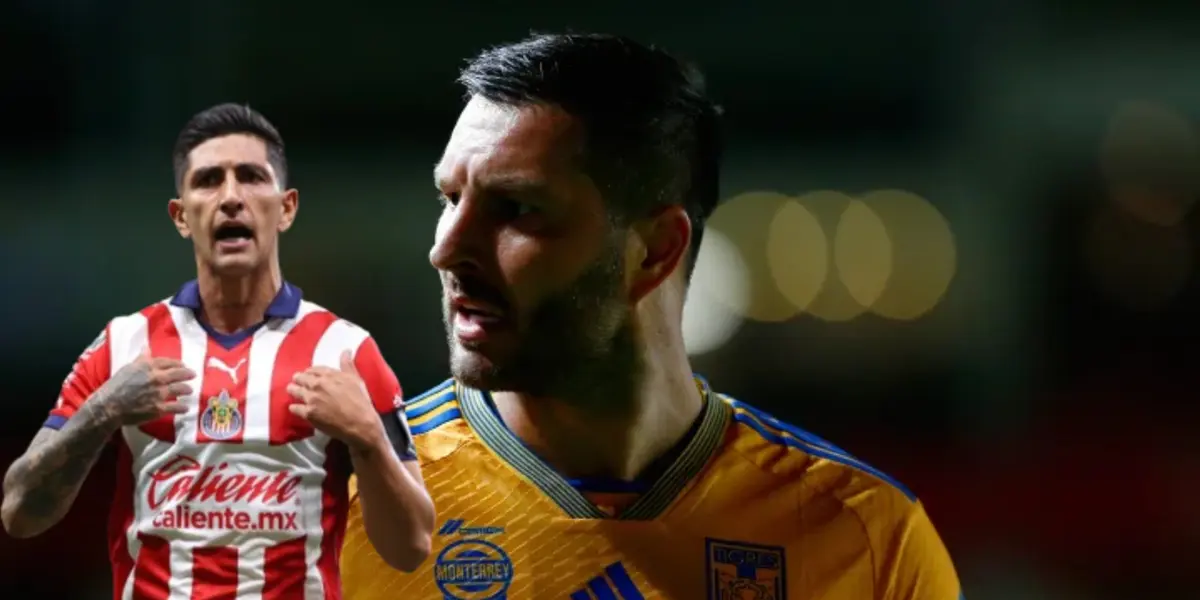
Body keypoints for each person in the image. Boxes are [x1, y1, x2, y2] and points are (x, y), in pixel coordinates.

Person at [341, 33, 962, 600]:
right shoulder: (331, 507)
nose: (446, 249)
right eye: (450, 199)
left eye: (517, 208)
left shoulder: (866, 537)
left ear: (656, 250)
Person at [1, 103, 435, 599]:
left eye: (251, 177)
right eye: (209, 180)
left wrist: (368, 439)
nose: (231, 197)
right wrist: (101, 411)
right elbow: (18, 511)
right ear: (181, 215)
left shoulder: (345, 350)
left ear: (286, 207)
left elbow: (412, 548)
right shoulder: (123, 343)